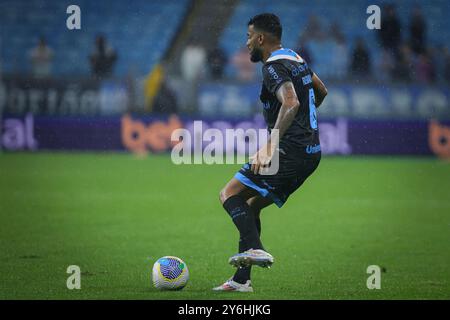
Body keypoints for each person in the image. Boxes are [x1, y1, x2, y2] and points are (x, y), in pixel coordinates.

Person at [213, 13, 327, 292]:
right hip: (310, 152)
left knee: (229, 193)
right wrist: (303, 128)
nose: (247, 42)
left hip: (288, 152)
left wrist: (271, 144)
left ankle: (256, 248)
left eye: (249, 36)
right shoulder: (295, 58)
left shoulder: (271, 67)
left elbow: (290, 102)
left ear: (261, 38)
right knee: (251, 207)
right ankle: (242, 281)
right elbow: (321, 90)